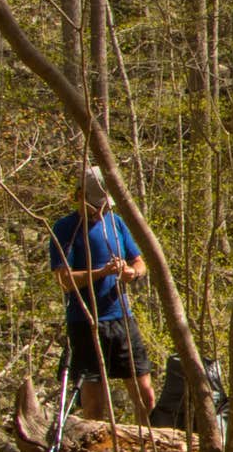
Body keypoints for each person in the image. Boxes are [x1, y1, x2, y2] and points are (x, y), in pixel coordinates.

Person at [48, 166, 156, 419]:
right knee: (94, 407)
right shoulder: (64, 229)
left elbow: (140, 262)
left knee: (145, 397)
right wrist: (101, 272)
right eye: (96, 206)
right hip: (85, 322)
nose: (100, 212)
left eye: (104, 206)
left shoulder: (116, 222)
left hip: (121, 319)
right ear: (79, 197)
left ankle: (145, 447)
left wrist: (131, 272)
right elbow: (64, 281)